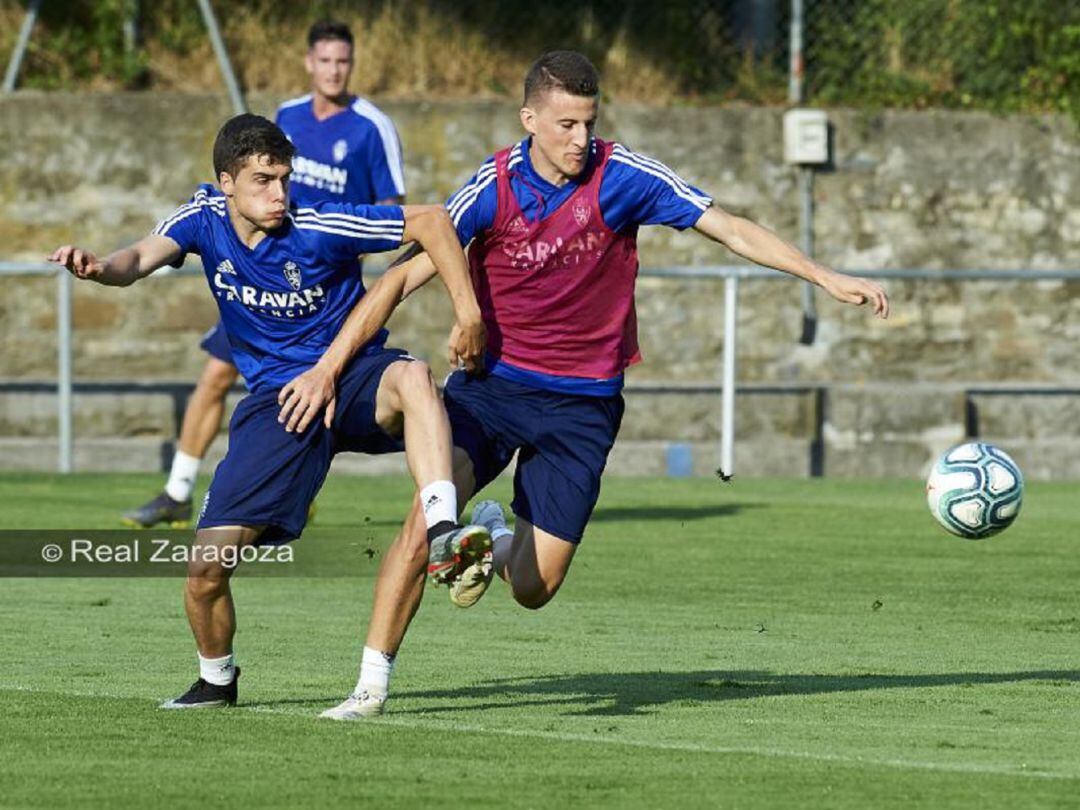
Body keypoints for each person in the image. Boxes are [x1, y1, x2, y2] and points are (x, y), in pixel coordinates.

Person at [286, 50, 889, 720]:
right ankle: (370, 686)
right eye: (566, 124)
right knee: (427, 520)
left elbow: (729, 228)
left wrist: (824, 276)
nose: (580, 139)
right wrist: (330, 367)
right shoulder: (493, 186)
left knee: (533, 588)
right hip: (491, 392)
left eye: (589, 123)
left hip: (584, 406)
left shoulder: (623, 175)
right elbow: (401, 275)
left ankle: (493, 537)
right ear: (530, 120)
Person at [48, 113, 491, 709]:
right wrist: (101, 269)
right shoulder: (203, 217)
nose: (279, 194)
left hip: (352, 376)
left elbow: (433, 220)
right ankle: (216, 680)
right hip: (278, 404)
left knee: (413, 375)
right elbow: (139, 257)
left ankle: (442, 529)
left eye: (284, 178)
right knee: (204, 572)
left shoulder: (319, 220)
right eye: (263, 180)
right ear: (227, 183)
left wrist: (468, 313)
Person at [122, 18, 406, 529]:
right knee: (216, 372)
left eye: (343, 61)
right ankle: (177, 490)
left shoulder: (371, 126)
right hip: (257, 276)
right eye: (325, 61)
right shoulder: (287, 117)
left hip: (317, 286)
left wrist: (341, 255)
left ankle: (303, 481)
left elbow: (391, 208)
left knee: (337, 390)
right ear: (308, 63)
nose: (334, 71)